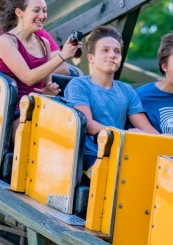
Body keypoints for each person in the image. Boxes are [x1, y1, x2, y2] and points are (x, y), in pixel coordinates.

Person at [64, 25, 157, 170]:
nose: (112, 55)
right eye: (105, 50)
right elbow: (87, 124)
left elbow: (145, 127)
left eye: (117, 51)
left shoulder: (126, 90)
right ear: (91, 58)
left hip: (120, 154)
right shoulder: (79, 85)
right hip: (90, 155)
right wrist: (124, 135)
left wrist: (166, 143)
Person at [0, 0, 79, 110]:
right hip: (14, 111)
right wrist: (62, 56)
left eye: (44, 10)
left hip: (37, 108)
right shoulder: (6, 41)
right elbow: (28, 78)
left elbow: (46, 86)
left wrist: (49, 92)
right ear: (19, 12)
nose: (42, 15)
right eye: (36, 10)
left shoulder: (44, 43)